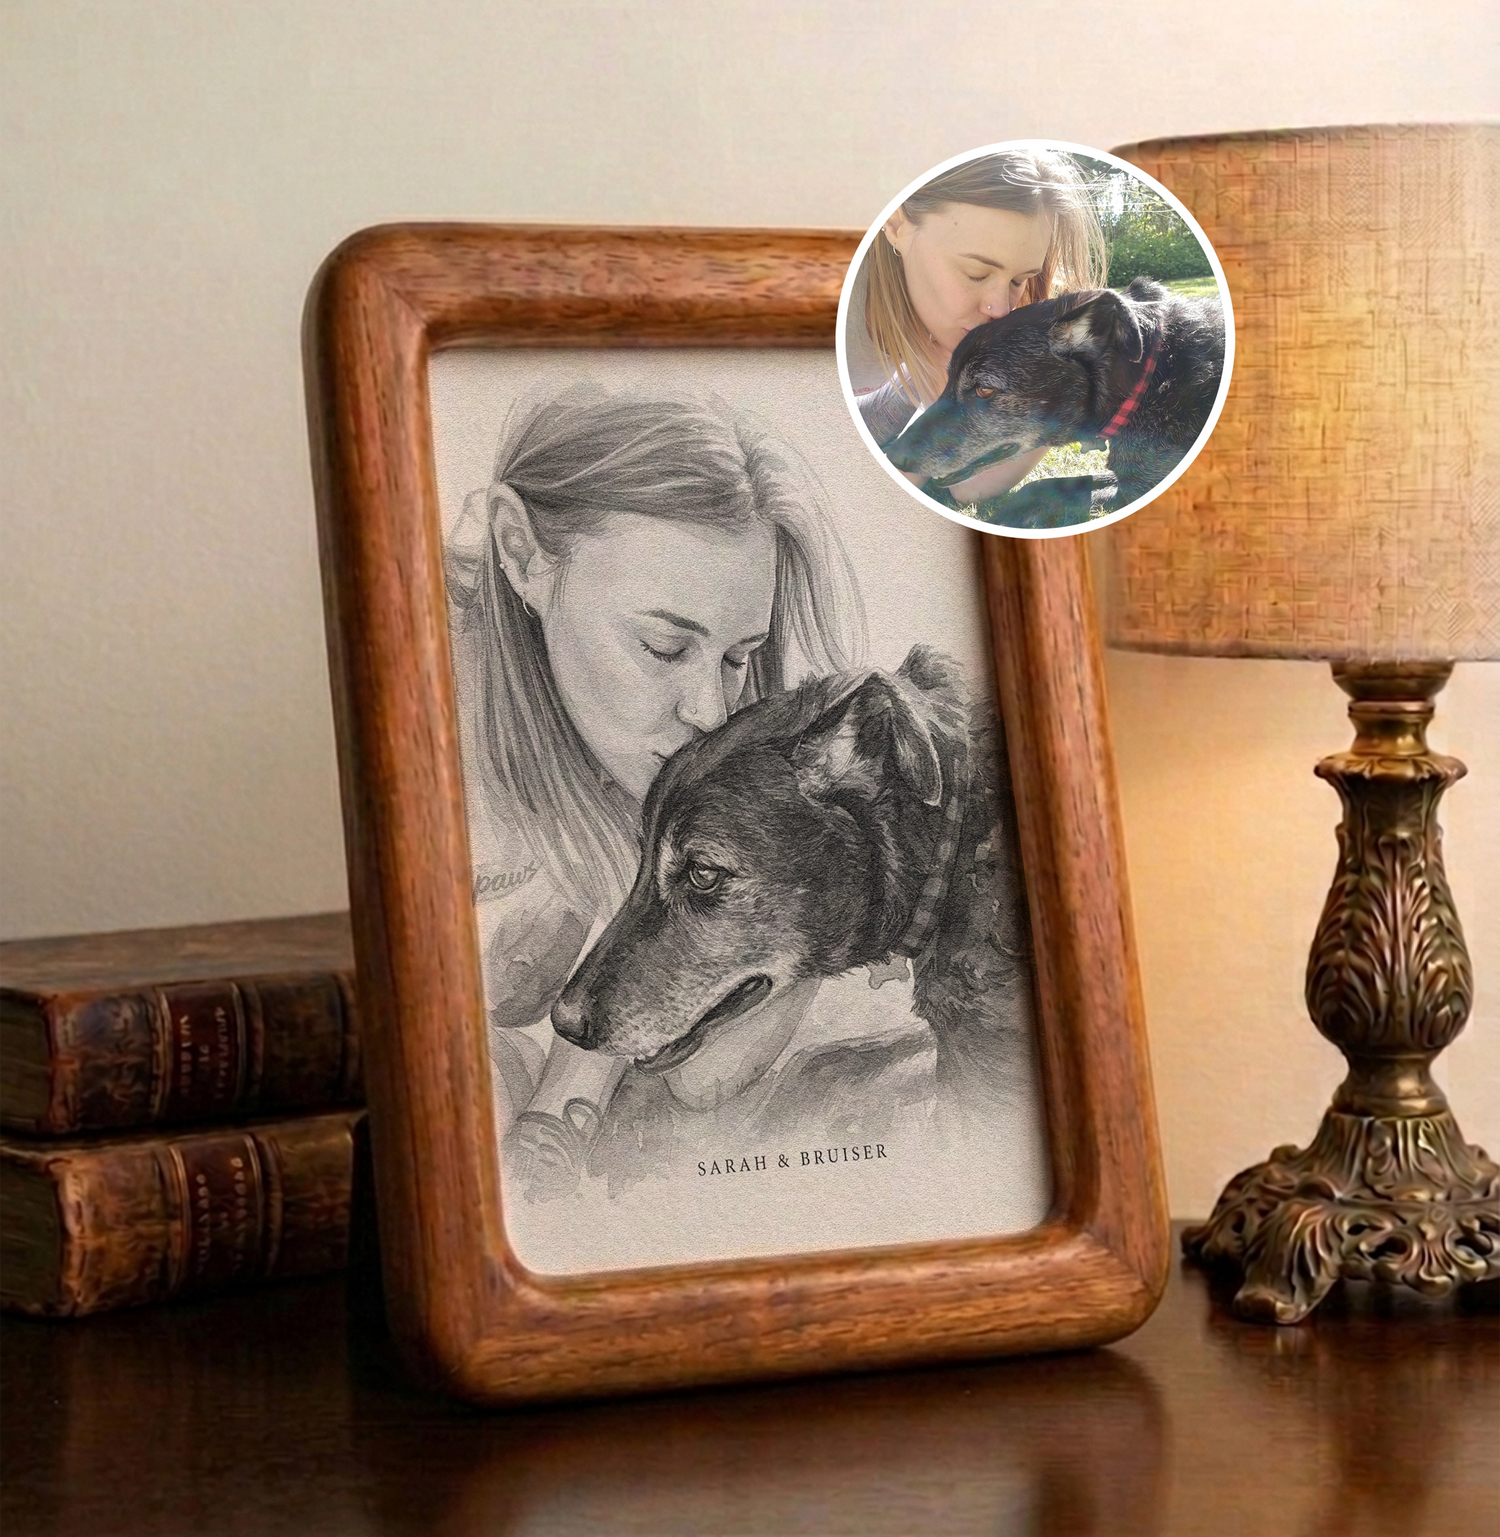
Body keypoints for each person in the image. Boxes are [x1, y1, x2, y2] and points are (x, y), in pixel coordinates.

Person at [443, 383, 868, 1196]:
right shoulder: (431, 732)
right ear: (522, 552)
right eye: (664, 645)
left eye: (738, 656)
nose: (711, 710)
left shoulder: (748, 778)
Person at [851, 150, 1109, 517]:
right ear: (896, 224)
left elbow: (968, 485)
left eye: (1020, 279)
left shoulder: (985, 330)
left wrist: (1056, 394)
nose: (1001, 308)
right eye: (976, 273)